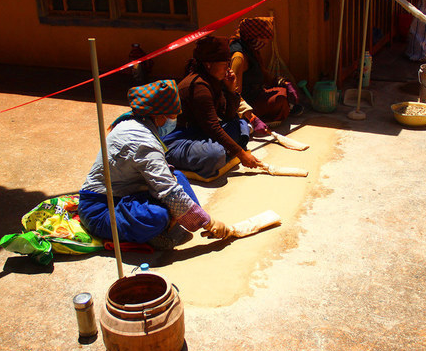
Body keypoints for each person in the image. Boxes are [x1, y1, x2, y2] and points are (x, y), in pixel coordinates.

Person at [78, 79, 232, 246]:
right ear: (160, 116)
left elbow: (165, 179)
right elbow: (168, 191)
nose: (174, 121)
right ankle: (159, 227)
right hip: (101, 210)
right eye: (173, 116)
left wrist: (195, 213)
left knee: (177, 176)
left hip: (125, 193)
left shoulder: (133, 123)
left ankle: (182, 217)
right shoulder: (142, 141)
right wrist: (208, 222)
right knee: (157, 216)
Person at [162, 36, 263, 179]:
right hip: (180, 140)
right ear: (209, 64)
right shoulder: (198, 85)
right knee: (214, 155)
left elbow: (228, 116)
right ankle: (221, 154)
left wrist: (230, 90)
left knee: (241, 125)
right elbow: (213, 127)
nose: (228, 69)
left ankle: (224, 151)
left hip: (201, 133)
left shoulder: (213, 80)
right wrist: (241, 154)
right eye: (225, 64)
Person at [229, 17, 302, 128]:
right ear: (252, 37)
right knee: (280, 99)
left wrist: (284, 83)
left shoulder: (252, 51)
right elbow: (234, 93)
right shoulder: (239, 57)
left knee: (281, 91)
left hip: (256, 94)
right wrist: (251, 117)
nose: (264, 45)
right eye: (262, 41)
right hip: (246, 103)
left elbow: (265, 75)